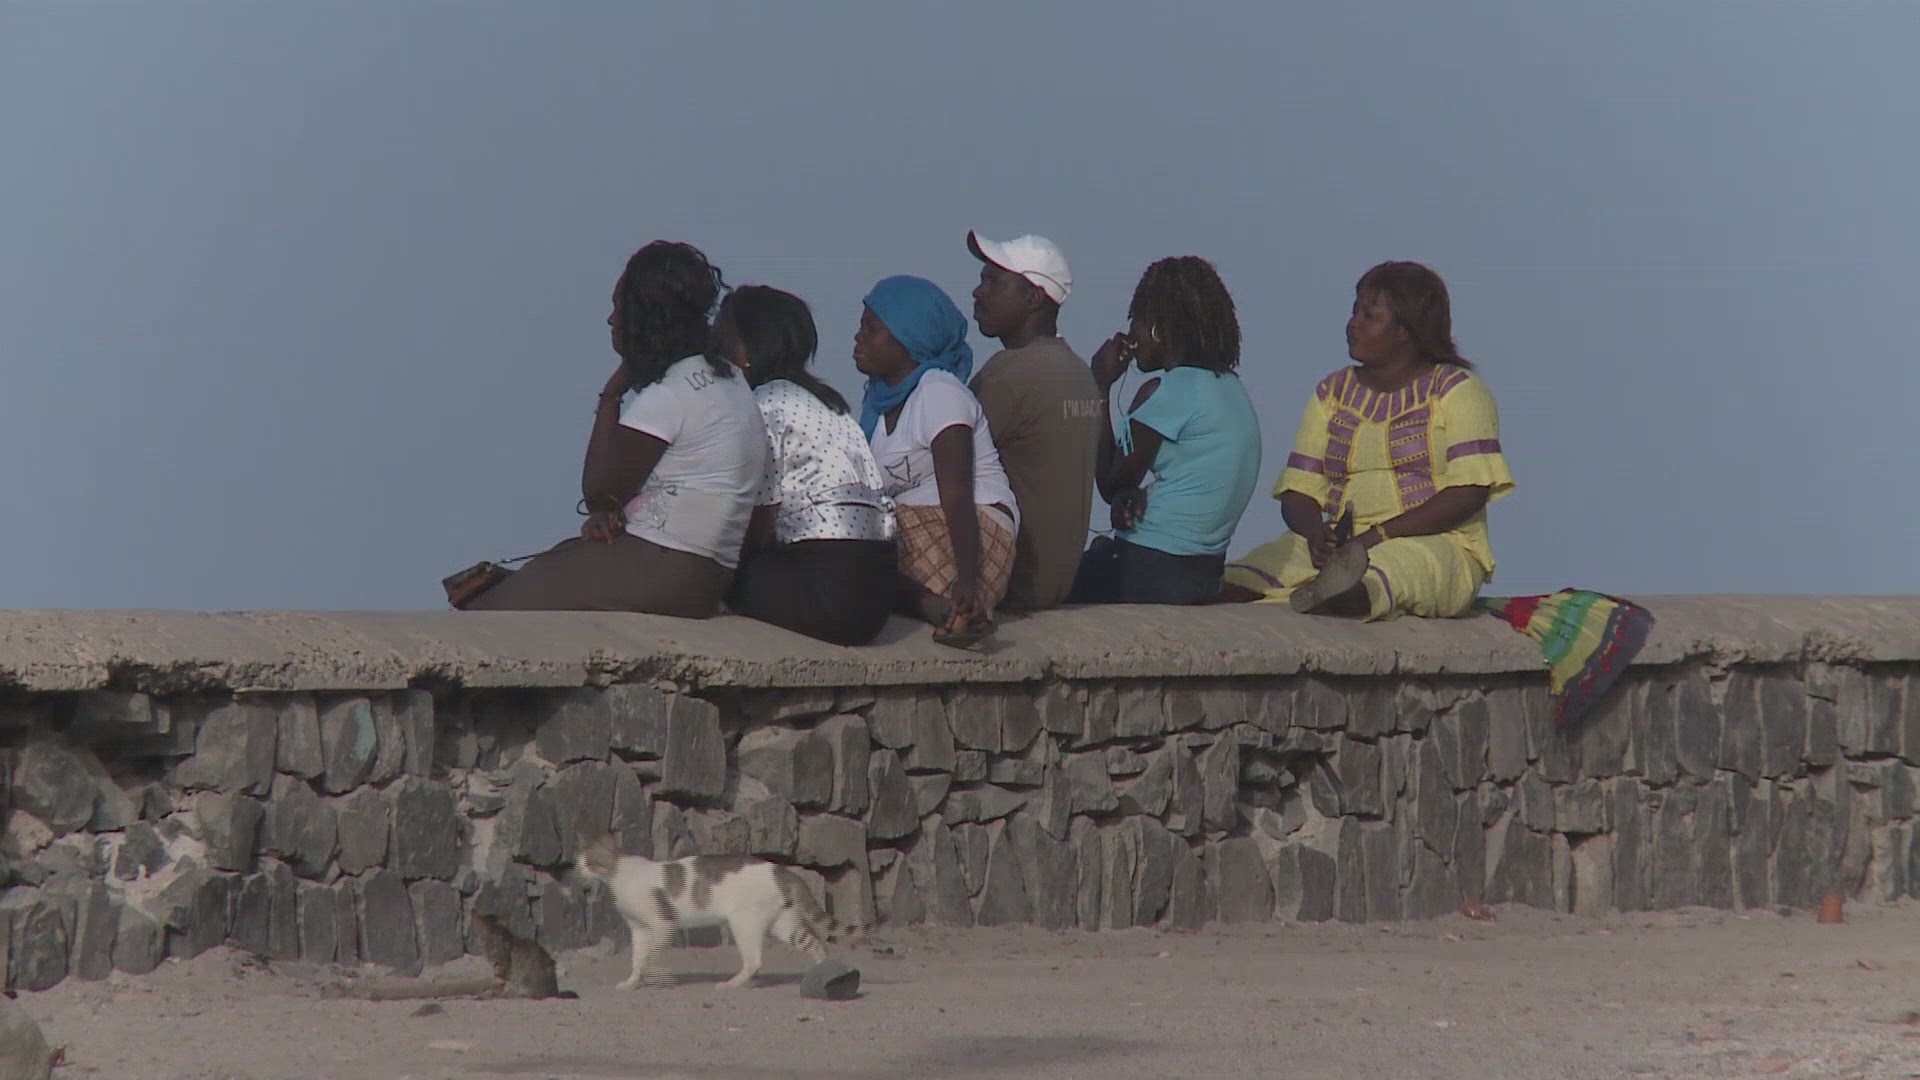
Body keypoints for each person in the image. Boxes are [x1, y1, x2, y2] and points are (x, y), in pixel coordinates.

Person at [462, 241, 768, 615]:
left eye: (618, 308)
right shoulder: (730, 380)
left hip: (666, 569)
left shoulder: (669, 395)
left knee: (493, 607)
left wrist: (611, 395)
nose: (611, 320)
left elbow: (599, 492)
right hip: (709, 575)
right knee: (554, 564)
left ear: (643, 319)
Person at [1221, 260, 1514, 619]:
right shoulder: (1332, 393)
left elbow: (1469, 492)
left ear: (1406, 330)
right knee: (1241, 577)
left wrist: (1377, 536)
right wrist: (1315, 534)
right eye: (1354, 312)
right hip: (1343, 548)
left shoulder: (1459, 391)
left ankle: (1335, 595)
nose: (1353, 324)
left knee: (1386, 574)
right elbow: (1299, 490)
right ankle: (1310, 589)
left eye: (1369, 316)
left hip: (1439, 545)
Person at [1067, 257, 1262, 605]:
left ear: (1158, 329)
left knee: (1049, 580)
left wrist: (1100, 385)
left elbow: (1110, 484)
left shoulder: (1167, 391)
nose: (1131, 333)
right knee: (1099, 551)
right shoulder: (1232, 389)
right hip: (1203, 575)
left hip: (1149, 568)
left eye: (1136, 320)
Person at [720, 285, 898, 645]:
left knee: (716, 574)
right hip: (876, 596)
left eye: (719, 341)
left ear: (744, 351)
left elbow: (759, 522)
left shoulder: (764, 404)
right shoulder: (832, 406)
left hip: (827, 596)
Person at [856, 275, 1019, 648]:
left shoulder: (939, 391)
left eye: (871, 329)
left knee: (856, 537)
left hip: (977, 535)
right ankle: (930, 604)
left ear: (909, 339)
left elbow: (957, 495)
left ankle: (954, 603)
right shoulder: (877, 408)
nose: (857, 338)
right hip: (921, 535)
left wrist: (968, 580)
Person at [965, 230, 1102, 612]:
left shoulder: (1010, 372)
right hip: (1058, 583)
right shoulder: (1079, 371)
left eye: (994, 282)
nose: (978, 292)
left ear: (1033, 298)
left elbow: (938, 463)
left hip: (1013, 582)